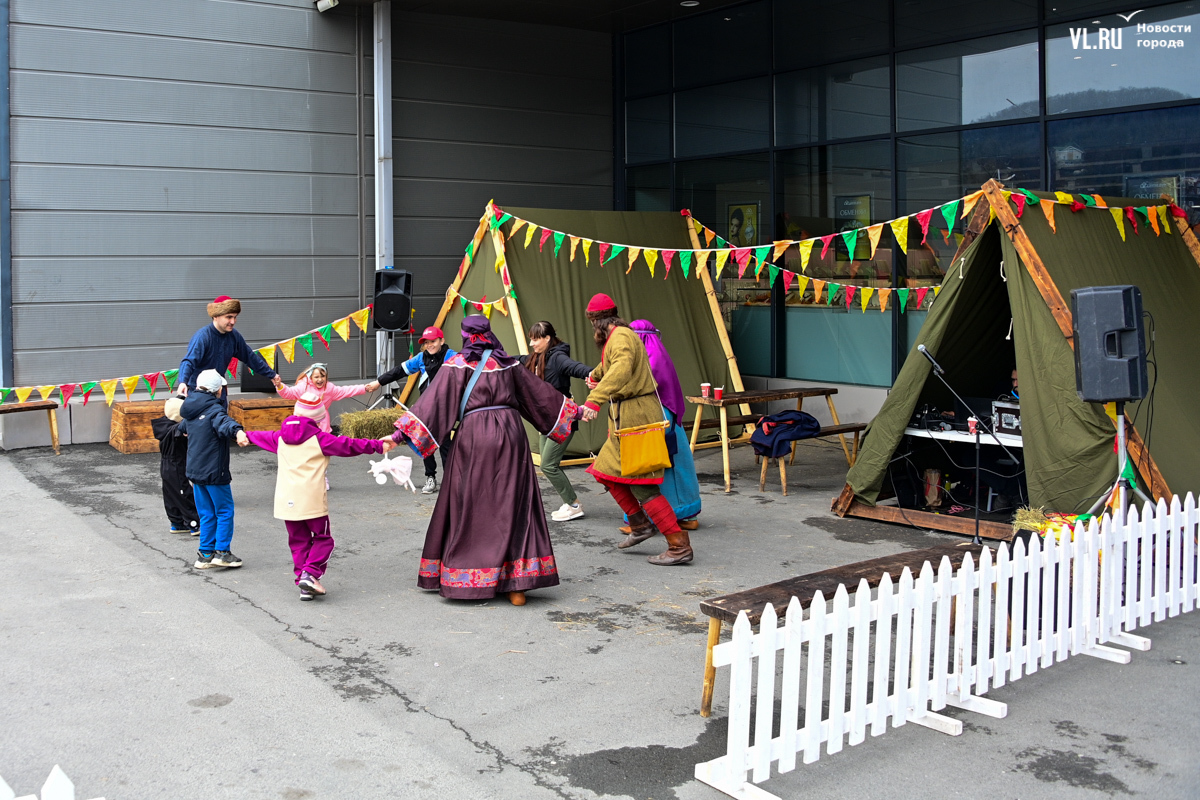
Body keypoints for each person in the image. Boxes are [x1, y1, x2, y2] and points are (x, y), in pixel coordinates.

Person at [386, 315, 579, 605]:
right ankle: (517, 585)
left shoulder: (457, 365)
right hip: (511, 437)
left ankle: (470, 576)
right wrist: (577, 411)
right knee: (514, 504)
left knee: (471, 504)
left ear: (466, 336)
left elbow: (433, 405)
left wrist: (398, 436)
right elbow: (539, 396)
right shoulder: (509, 364)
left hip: (474, 438)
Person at [578, 294, 694, 566]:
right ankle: (640, 525)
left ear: (596, 322)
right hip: (626, 419)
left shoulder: (620, 337)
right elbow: (611, 365)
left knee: (643, 486)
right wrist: (595, 375)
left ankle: (679, 546)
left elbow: (620, 369)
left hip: (637, 419)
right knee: (605, 471)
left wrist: (594, 400)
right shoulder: (620, 336)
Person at [245, 399, 394, 600]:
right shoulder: (320, 439)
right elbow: (349, 445)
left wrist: (243, 435)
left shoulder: (279, 437)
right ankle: (310, 573)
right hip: (311, 499)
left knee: (298, 541)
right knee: (323, 538)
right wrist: (378, 446)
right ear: (318, 418)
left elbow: (257, 436)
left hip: (286, 500)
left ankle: (304, 583)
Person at [616, 320, 701, 544]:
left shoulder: (646, 359)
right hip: (669, 419)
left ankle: (646, 519)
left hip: (654, 419)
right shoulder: (660, 355)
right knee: (678, 468)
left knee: (649, 469)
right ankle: (686, 514)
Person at [519, 321, 594, 522]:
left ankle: (574, 505)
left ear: (547, 338)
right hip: (546, 421)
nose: (532, 343)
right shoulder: (535, 358)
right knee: (548, 464)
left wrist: (593, 374)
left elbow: (575, 368)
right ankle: (570, 503)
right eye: (531, 339)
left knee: (549, 465)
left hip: (562, 420)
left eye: (536, 339)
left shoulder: (557, 357)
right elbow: (515, 360)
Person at [179, 369, 250, 569]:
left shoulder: (191, 409)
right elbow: (225, 423)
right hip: (214, 471)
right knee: (224, 510)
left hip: (195, 470)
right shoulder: (214, 410)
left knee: (206, 513)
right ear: (218, 390)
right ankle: (222, 552)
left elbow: (182, 429)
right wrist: (238, 432)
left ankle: (205, 554)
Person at [377, 326, 457, 495]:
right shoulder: (421, 358)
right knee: (424, 442)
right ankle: (431, 477)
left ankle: (450, 481)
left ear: (442, 341)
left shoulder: (452, 357)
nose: (430, 345)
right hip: (426, 408)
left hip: (445, 408)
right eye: (426, 342)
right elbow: (399, 371)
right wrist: (379, 382)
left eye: (433, 341)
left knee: (445, 444)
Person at [177, 296, 277, 406]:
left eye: (235, 317)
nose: (233, 321)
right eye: (229, 317)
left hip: (219, 394)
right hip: (198, 393)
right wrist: (183, 382)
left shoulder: (234, 337)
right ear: (215, 316)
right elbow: (189, 361)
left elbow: (250, 358)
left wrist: (272, 375)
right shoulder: (203, 337)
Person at [272, 364, 380, 434]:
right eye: (316, 377)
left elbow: (345, 390)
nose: (320, 379)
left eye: (322, 376)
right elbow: (289, 393)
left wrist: (364, 388)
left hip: (322, 425)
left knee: (322, 451)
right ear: (310, 377)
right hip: (304, 425)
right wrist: (279, 385)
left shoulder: (329, 389)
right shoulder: (303, 387)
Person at [152, 394, 198, 535]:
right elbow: (184, 429)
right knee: (184, 492)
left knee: (170, 493)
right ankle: (194, 522)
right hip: (176, 464)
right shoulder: (176, 431)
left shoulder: (164, 426)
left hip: (166, 464)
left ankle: (177, 522)